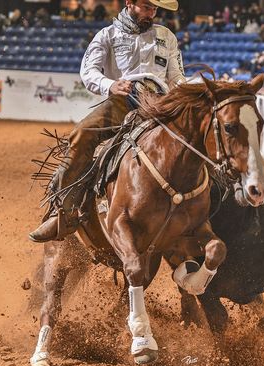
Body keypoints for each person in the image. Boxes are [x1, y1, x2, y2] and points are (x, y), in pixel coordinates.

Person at [29, 0, 185, 243]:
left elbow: (177, 77)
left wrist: (188, 93)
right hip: (124, 102)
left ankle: (203, 210)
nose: (151, 13)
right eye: (146, 7)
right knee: (82, 133)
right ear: (130, 3)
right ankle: (63, 211)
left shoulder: (166, 36)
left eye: (155, 9)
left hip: (161, 104)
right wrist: (111, 85)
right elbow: (88, 71)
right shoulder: (108, 35)